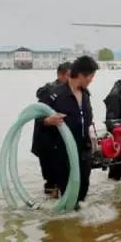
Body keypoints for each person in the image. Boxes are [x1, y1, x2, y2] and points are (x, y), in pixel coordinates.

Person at [40, 56, 99, 203]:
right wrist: (48, 121)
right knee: (68, 192)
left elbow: (86, 120)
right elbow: (38, 119)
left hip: (83, 150)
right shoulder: (54, 95)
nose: (91, 80)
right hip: (62, 152)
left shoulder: (85, 94)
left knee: (83, 189)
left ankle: (77, 222)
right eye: (91, 76)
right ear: (80, 75)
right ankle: (65, 216)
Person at [31, 61, 70, 196]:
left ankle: (64, 209)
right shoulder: (49, 93)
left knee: (66, 176)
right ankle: (51, 208)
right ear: (61, 75)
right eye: (70, 76)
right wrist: (48, 121)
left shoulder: (72, 91)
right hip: (47, 143)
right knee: (52, 179)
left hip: (62, 143)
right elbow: (38, 118)